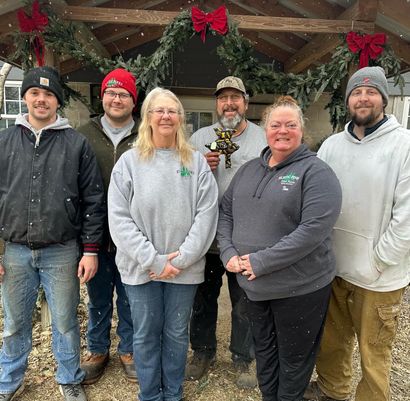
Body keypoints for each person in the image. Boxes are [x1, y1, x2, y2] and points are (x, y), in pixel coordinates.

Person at [217, 95, 342, 401]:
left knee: (294, 361)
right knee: (265, 352)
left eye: (290, 125)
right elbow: (226, 212)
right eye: (275, 124)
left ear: (302, 130)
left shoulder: (316, 173)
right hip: (256, 289)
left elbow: (312, 231)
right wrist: (228, 253)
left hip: (299, 290)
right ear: (266, 129)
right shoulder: (249, 171)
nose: (282, 131)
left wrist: (260, 261)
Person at [303, 67, 410, 401]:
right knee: (333, 342)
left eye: (371, 92)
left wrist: (380, 260)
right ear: (348, 100)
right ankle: (332, 390)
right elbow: (314, 200)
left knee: (373, 353)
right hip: (334, 268)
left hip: (378, 278)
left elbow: (406, 216)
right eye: (356, 92)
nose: (363, 98)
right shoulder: (332, 146)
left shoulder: (403, 145)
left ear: (384, 98)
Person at [0, 66, 105, 401]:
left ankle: (69, 378)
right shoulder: (4, 141)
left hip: (61, 249)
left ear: (57, 101)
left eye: (49, 94)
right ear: (26, 97)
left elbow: (92, 198)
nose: (41, 99)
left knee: (64, 322)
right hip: (15, 249)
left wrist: (90, 249)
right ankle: (9, 379)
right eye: (35, 93)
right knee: (15, 322)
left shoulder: (76, 144)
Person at [107, 87, 218, 401]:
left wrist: (180, 260)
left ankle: (173, 393)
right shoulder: (129, 163)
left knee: (176, 333)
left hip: (185, 269)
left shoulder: (194, 162)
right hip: (141, 269)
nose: (166, 116)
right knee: (144, 334)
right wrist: (154, 260)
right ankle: (150, 395)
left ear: (181, 119)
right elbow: (118, 218)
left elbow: (207, 213)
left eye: (172, 110)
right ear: (148, 117)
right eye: (159, 110)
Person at [186, 76, 266, 388]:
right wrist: (196, 168)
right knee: (202, 298)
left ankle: (243, 357)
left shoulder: (261, 139)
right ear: (216, 104)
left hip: (246, 237)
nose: (229, 103)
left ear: (246, 103)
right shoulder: (201, 137)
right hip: (206, 236)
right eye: (223, 98)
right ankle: (203, 351)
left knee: (245, 300)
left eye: (235, 97)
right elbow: (181, 179)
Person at [78, 68, 138, 384]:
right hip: (94, 235)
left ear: (133, 100)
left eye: (124, 93)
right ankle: (98, 350)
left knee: (130, 295)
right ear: (103, 97)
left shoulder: (146, 134)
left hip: (132, 234)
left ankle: (128, 350)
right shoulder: (82, 134)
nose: (117, 99)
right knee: (98, 296)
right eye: (111, 93)